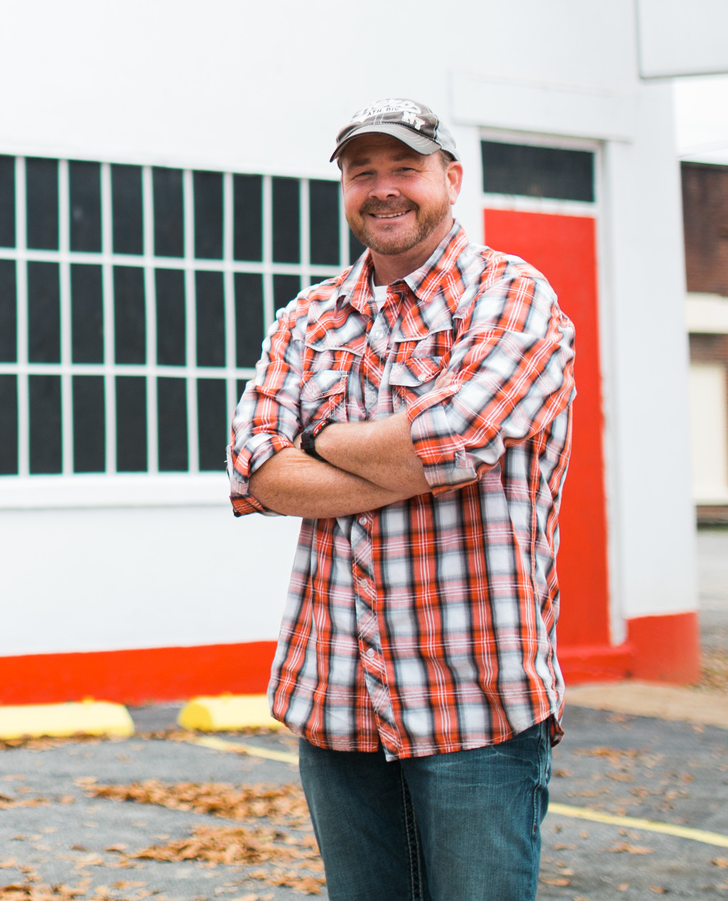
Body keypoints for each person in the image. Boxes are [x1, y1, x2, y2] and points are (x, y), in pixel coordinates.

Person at [228, 97, 575, 901]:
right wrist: (403, 451)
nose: (384, 188)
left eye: (405, 168)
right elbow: (253, 470)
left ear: (451, 179)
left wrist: (316, 441)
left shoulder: (512, 296)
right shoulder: (307, 318)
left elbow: (461, 436)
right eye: (363, 172)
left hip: (477, 704)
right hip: (336, 696)